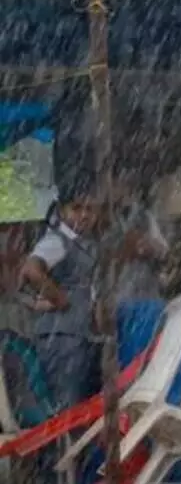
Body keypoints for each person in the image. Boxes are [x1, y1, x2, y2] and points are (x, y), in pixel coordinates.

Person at [19, 175, 103, 411]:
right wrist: (60, 299)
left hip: (78, 336)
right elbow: (31, 270)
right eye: (77, 208)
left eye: (90, 209)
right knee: (66, 408)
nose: (84, 215)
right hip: (62, 340)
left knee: (79, 408)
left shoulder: (82, 243)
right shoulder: (58, 241)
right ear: (62, 209)